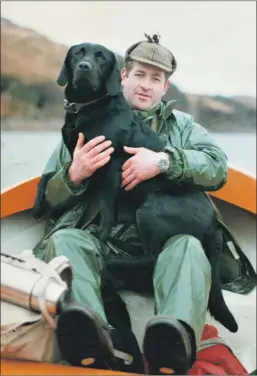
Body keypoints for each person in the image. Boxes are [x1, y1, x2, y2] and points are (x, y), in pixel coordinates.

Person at [32, 33, 229, 374]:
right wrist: (74, 174)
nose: (146, 85)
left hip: (161, 252)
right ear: (121, 76)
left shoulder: (183, 129)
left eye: (156, 79)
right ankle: (97, 340)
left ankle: (173, 345)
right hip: (106, 249)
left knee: (189, 247)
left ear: (165, 88)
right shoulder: (83, 123)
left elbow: (217, 167)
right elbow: (48, 196)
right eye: (139, 74)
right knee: (64, 241)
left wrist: (164, 161)